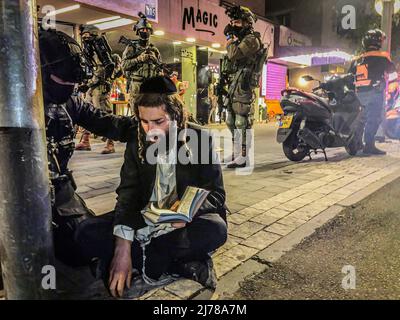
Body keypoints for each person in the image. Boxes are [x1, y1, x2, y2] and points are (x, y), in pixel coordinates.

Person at [105, 76, 228, 298]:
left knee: (216, 229)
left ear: (176, 116)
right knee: (86, 233)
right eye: (144, 121)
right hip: (145, 219)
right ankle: (176, 261)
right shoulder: (137, 140)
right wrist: (121, 248)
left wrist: (187, 210)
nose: (150, 131)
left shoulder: (199, 139)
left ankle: (149, 258)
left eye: (158, 122)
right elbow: (128, 193)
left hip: (183, 224)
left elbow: (217, 194)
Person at [38, 28, 137, 268]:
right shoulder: (12, 104)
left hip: (60, 193)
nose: (70, 88)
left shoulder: (70, 101)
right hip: (16, 200)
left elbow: (106, 122)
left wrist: (148, 125)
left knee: (88, 243)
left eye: (74, 83)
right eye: (64, 81)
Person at [223, 5, 267, 168]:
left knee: (242, 122)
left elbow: (234, 54)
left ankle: (243, 157)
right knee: (230, 121)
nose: (234, 25)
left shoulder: (251, 40)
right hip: (236, 83)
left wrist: (229, 38)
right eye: (232, 22)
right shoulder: (242, 39)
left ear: (247, 23)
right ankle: (235, 153)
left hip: (244, 84)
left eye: (237, 22)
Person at [349, 29, 397, 155]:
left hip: (358, 93)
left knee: (360, 119)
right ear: (378, 42)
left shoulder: (357, 59)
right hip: (375, 92)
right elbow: (392, 71)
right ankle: (369, 145)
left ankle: (357, 143)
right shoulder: (382, 56)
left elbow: (350, 75)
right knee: (374, 118)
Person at [75, 26, 122, 154]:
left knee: (105, 114)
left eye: (87, 36)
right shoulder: (89, 52)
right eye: (83, 36)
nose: (85, 39)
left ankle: (110, 143)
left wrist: (88, 85)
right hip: (91, 88)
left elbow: (102, 72)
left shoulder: (102, 53)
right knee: (85, 112)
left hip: (100, 88)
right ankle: (85, 140)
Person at [121, 12, 162, 115]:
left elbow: (160, 69)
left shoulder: (154, 49)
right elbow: (124, 65)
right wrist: (138, 59)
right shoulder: (131, 47)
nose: (145, 31)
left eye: (147, 30)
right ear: (138, 31)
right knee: (137, 115)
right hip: (137, 85)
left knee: (151, 114)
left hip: (151, 87)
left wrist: (155, 61)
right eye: (142, 30)